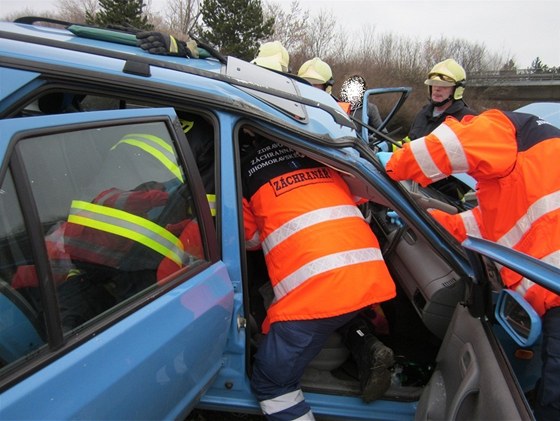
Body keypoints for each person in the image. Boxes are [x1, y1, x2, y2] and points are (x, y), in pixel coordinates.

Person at [384, 109, 560, 421]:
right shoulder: (521, 168)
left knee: (553, 400)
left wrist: (392, 166)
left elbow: (445, 147)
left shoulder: (500, 127)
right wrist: (428, 221)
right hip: (547, 294)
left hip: (554, 291)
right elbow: (482, 225)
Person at [241, 131, 397, 420]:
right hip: (367, 271)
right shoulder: (316, 151)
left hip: (316, 287)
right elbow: (360, 193)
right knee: (340, 312)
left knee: (272, 384)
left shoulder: (245, 171)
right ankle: (366, 343)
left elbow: (249, 240)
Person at [407, 58, 477, 141]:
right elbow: (410, 142)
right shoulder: (423, 114)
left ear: (456, 89)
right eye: (434, 83)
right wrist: (389, 146)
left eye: (444, 85)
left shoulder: (467, 120)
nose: (437, 88)